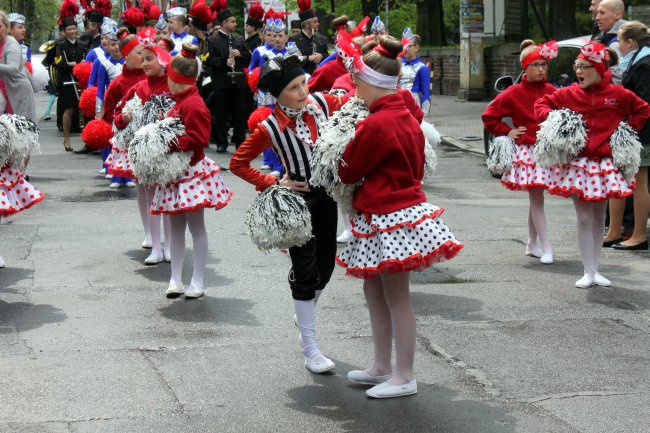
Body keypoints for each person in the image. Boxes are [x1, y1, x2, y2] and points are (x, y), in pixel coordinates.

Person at [334, 36, 463, 398]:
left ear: (374, 83)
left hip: (389, 214)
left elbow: (347, 170)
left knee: (396, 295)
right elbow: (419, 166)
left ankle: (404, 375)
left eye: (358, 80)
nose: (354, 86)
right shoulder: (406, 116)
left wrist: (338, 150)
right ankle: (381, 366)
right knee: (374, 288)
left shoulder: (376, 124)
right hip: (392, 211)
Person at [230, 54, 348, 374]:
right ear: (278, 94)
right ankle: (310, 349)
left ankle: (305, 308)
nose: (302, 91)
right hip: (297, 204)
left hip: (328, 196)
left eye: (303, 83)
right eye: (294, 87)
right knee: (305, 268)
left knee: (326, 264)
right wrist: (272, 181)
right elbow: (237, 164)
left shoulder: (323, 104)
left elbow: (354, 97)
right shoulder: (268, 127)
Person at [534, 41, 650, 288]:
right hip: (579, 164)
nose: (579, 71)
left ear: (599, 69)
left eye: (585, 67)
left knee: (599, 218)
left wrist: (626, 132)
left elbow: (642, 109)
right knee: (585, 217)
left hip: (605, 164)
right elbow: (541, 105)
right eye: (577, 66)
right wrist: (557, 123)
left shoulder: (618, 95)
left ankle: (594, 270)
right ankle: (587, 271)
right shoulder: (570, 93)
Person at [152, 43, 232, 299]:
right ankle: (175, 279)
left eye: (169, 78)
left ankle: (197, 280)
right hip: (176, 174)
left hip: (191, 174)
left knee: (196, 228)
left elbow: (198, 138)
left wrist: (167, 142)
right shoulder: (180, 101)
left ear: (176, 80)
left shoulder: (193, 104)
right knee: (175, 228)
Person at [482, 39, 558, 264]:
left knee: (537, 199)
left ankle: (532, 244)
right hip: (527, 152)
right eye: (536, 65)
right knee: (537, 199)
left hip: (546, 151)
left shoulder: (552, 90)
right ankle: (546, 247)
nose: (541, 69)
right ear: (525, 66)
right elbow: (489, 116)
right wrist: (507, 131)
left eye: (544, 64)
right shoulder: (513, 92)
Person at [111, 36, 170, 264]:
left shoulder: (172, 86)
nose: (144, 63)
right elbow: (116, 113)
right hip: (143, 152)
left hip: (168, 151)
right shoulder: (138, 87)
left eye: (149, 59)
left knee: (165, 197)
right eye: (142, 58)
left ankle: (170, 244)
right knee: (149, 194)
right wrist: (123, 118)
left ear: (163, 61)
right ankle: (155, 244)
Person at [604, 21, 650, 251]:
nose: (617, 46)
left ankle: (639, 235)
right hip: (632, 132)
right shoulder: (638, 61)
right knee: (621, 179)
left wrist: (627, 128)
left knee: (639, 182)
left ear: (630, 43)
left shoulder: (644, 65)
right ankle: (614, 230)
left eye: (619, 42)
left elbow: (643, 103)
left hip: (641, 134)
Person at [205, 4, 250, 153]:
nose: (235, 24)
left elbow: (249, 58)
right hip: (221, 82)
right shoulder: (213, 40)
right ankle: (221, 141)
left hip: (238, 82)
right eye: (232, 21)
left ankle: (240, 141)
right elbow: (207, 59)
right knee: (221, 113)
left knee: (239, 113)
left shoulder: (239, 39)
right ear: (224, 23)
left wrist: (240, 54)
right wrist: (224, 62)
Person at [55, 6, 87, 151]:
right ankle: (66, 138)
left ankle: (87, 139)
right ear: (65, 31)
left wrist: (74, 65)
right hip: (67, 81)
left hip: (80, 80)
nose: (72, 31)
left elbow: (86, 63)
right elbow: (61, 64)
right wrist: (75, 65)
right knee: (68, 109)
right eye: (69, 29)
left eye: (74, 29)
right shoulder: (60, 45)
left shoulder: (83, 44)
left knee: (85, 110)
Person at [0, 12, 35, 122]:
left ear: (7, 28)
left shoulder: (11, 44)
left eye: (0, 26)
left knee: (19, 132)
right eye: (20, 27)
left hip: (17, 92)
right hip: (4, 92)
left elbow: (13, 69)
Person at [291, 0, 328, 75]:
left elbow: (329, 57)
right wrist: (308, 58)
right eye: (315, 22)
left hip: (320, 77)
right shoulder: (294, 40)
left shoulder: (322, 39)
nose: (318, 24)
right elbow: (292, 61)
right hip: (302, 78)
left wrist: (322, 56)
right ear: (307, 24)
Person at [595, 0, 627, 83]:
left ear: (617, 15)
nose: (597, 17)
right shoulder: (610, 38)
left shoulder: (616, 43)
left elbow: (618, 80)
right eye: (598, 13)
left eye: (602, 13)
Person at [400, 30, 431, 115]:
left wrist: (425, 114)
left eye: (408, 46)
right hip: (398, 104)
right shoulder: (398, 63)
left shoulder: (422, 68)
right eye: (403, 46)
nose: (405, 49)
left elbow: (426, 93)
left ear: (416, 48)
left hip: (414, 106)